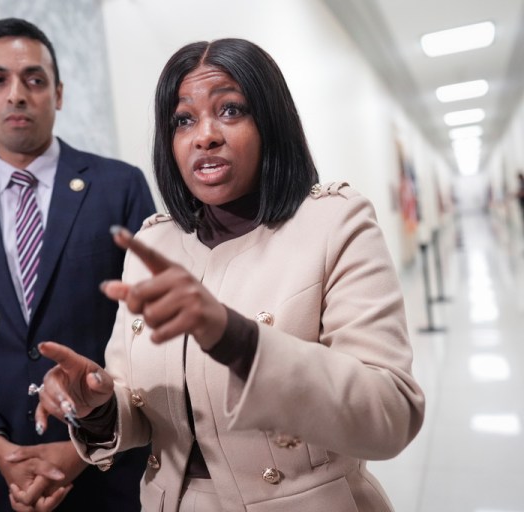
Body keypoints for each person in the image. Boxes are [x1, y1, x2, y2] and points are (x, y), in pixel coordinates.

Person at [30, 38, 426, 511]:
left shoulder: (336, 224)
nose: (205, 135)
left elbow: (391, 414)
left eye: (231, 110)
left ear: (271, 123)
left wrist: (234, 337)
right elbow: (138, 406)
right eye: (184, 119)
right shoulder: (153, 244)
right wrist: (96, 405)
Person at [0, 17, 156, 511]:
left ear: (58, 93)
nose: (16, 94)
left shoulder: (119, 187)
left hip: (110, 471)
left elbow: (152, 328)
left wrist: (82, 446)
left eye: (34, 80)